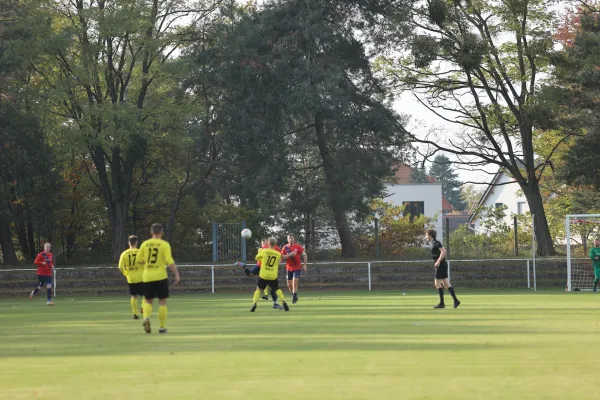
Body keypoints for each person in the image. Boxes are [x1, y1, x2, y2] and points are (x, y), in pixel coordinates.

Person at [137, 223, 181, 334]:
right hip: (161, 275)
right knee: (162, 302)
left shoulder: (144, 244)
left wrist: (147, 262)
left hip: (147, 276)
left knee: (148, 301)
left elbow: (138, 260)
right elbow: (169, 261)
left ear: (151, 232)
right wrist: (176, 273)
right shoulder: (164, 244)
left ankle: (146, 318)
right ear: (161, 232)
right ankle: (162, 327)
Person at [235, 238, 284, 309]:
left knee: (253, 277)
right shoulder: (265, 248)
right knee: (272, 286)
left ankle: (245, 267)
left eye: (264, 242)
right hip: (262, 267)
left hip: (262, 267)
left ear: (268, 242)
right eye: (262, 242)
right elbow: (280, 255)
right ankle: (275, 303)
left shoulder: (271, 248)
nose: (263, 243)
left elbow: (281, 256)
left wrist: (278, 263)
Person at [251, 237, 290, 312]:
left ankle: (254, 303)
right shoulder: (278, 254)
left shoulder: (264, 251)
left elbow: (257, 258)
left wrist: (262, 258)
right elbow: (279, 261)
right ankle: (283, 301)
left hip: (264, 274)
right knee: (277, 289)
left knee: (259, 289)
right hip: (273, 275)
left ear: (268, 243)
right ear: (275, 244)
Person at [426, 229, 460, 309]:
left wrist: (438, 262)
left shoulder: (436, 243)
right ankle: (456, 301)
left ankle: (442, 303)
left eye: (426, 235)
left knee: (437, 284)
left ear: (430, 235)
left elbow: (444, 251)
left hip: (440, 265)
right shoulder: (433, 243)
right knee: (446, 284)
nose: (426, 236)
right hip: (442, 265)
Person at [118, 235, 143, 319]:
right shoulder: (140, 252)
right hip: (141, 276)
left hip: (131, 278)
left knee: (134, 296)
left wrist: (126, 273)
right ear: (136, 242)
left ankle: (135, 314)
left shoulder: (124, 253)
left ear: (129, 243)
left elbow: (120, 267)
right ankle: (143, 307)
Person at [281, 233, 307, 304]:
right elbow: (282, 257)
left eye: (292, 238)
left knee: (295, 281)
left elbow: (304, 255)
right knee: (289, 285)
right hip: (289, 268)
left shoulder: (298, 247)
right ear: (287, 239)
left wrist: (305, 265)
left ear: (294, 239)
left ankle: (294, 298)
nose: (290, 239)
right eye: (289, 238)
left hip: (297, 267)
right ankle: (294, 295)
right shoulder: (285, 247)